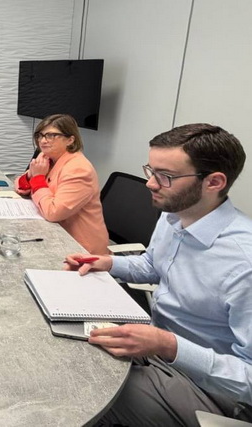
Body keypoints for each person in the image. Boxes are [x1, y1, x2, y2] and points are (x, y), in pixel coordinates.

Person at [64, 123, 252, 425]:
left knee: (82, 386)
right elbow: (153, 266)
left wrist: (168, 345)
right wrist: (109, 263)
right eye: (151, 171)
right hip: (159, 348)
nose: (150, 184)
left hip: (213, 391)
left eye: (165, 176)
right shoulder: (175, 213)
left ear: (214, 182)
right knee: (68, 346)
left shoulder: (244, 263)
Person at [14, 114, 109, 254]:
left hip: (79, 247)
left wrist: (38, 177)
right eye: (40, 135)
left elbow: (53, 212)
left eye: (51, 135)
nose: (43, 141)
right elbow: (19, 185)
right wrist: (31, 175)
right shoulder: (46, 157)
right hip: (52, 232)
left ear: (70, 140)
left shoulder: (79, 169)